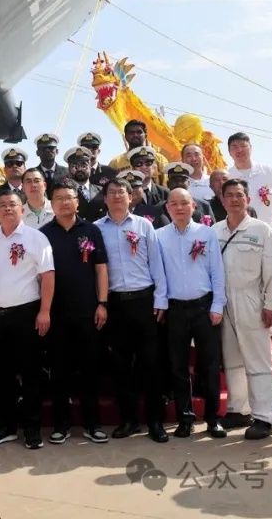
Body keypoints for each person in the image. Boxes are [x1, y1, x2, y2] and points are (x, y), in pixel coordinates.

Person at [94, 178, 169, 443]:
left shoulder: (143, 225)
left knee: (151, 363)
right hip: (114, 304)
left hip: (144, 301)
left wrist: (160, 299)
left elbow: (156, 263)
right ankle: (129, 420)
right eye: (111, 192)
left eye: (121, 192)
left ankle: (155, 421)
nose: (117, 196)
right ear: (105, 198)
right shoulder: (96, 229)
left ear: (130, 197)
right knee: (120, 365)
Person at [0, 190, 55, 449]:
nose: (7, 208)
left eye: (12, 204)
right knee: (2, 374)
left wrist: (45, 311)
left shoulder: (36, 238)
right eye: (2, 205)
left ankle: (32, 429)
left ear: (22, 209)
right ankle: (7, 427)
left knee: (31, 373)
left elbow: (48, 276)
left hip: (26, 314)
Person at [40, 181, 109, 444]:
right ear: (52, 204)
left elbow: (101, 268)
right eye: (59, 198)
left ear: (77, 202)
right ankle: (61, 424)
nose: (64, 202)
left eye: (69, 197)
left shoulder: (91, 230)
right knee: (60, 370)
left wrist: (102, 303)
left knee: (90, 369)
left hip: (88, 311)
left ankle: (93, 424)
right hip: (56, 314)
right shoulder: (44, 234)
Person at [155, 188, 227, 439]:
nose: (179, 208)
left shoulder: (206, 233)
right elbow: (158, 274)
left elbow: (217, 271)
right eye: (173, 203)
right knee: (178, 367)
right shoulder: (159, 236)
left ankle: (212, 418)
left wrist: (217, 305)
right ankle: (185, 419)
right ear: (167, 208)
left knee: (209, 365)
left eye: (184, 203)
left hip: (204, 308)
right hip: (175, 309)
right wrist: (161, 303)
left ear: (193, 206)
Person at [213, 179, 272, 439]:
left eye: (239, 195)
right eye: (229, 195)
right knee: (232, 360)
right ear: (222, 200)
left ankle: (265, 416)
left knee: (258, 361)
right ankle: (238, 410)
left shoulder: (261, 230)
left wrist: (271, 304)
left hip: (251, 300)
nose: (234, 200)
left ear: (248, 200)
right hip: (223, 302)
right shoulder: (215, 231)